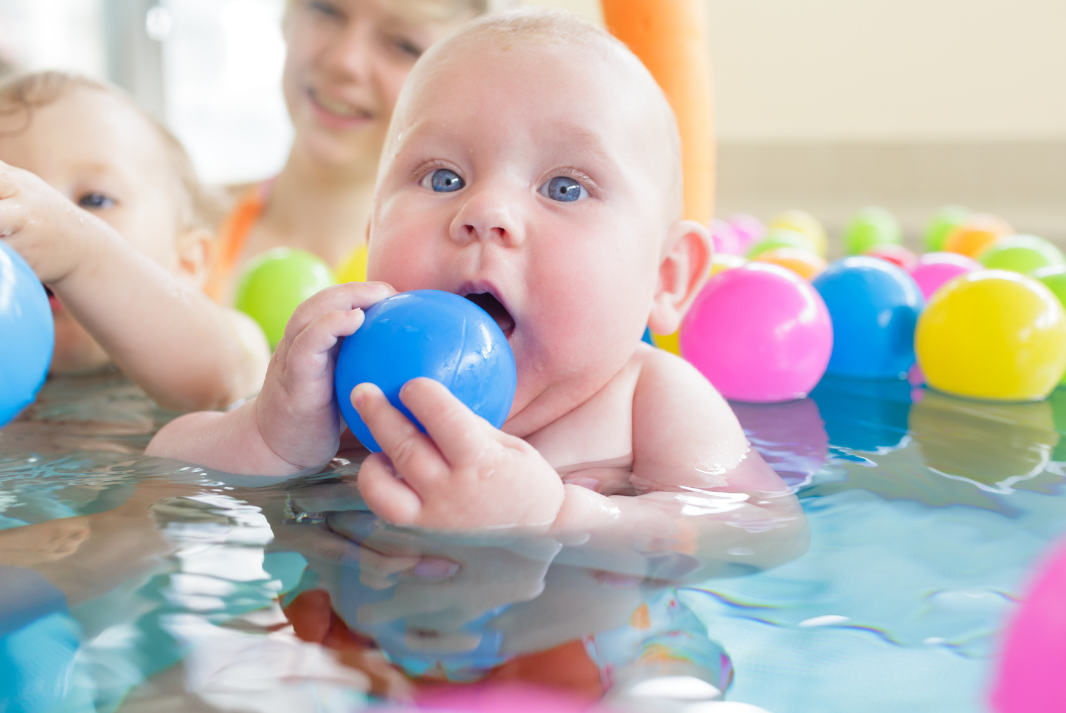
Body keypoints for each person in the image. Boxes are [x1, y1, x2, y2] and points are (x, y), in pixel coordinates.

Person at [148, 9, 807, 569]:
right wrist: (270, 437)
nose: (484, 210)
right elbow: (166, 463)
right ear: (373, 230)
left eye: (565, 187)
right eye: (441, 177)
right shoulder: (343, 386)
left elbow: (761, 530)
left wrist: (558, 517)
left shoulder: (650, 400)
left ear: (666, 277)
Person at [204, 0, 508, 304]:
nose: (344, 61)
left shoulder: (466, 282)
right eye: (326, 11)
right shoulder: (181, 227)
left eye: (402, 45)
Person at [0, 73, 269, 411]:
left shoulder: (229, 335)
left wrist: (80, 252)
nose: (37, 225)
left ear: (188, 263)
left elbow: (217, 386)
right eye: (8, 206)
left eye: (94, 200)